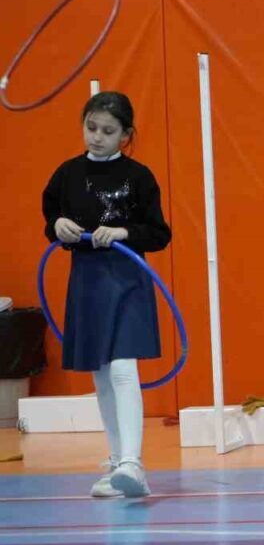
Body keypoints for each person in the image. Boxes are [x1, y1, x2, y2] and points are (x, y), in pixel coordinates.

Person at [42, 91, 172, 499]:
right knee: (100, 375)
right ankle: (117, 463)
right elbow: (51, 219)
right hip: (87, 281)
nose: (97, 137)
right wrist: (59, 225)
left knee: (121, 367)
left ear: (126, 134)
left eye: (108, 131)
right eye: (91, 127)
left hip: (127, 278)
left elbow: (159, 233)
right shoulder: (66, 175)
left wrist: (122, 232)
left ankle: (134, 462)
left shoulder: (139, 177)